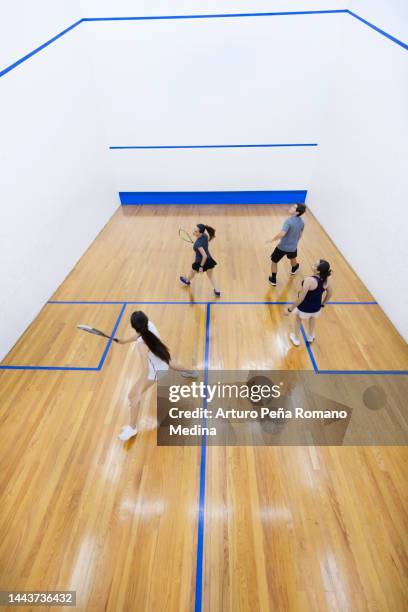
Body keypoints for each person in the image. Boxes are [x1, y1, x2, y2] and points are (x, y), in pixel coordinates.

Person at [116, 311, 198, 441]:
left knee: (132, 396)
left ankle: (132, 428)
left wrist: (139, 387)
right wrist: (124, 341)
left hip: (155, 371)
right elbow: (140, 335)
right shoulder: (149, 325)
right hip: (163, 357)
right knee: (169, 363)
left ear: (134, 327)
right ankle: (191, 372)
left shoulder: (141, 346)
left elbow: (146, 369)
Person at [285, 260, 333, 346]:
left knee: (298, 319)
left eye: (315, 264)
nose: (313, 264)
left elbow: (301, 298)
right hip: (316, 307)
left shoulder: (309, 280)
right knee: (312, 318)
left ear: (318, 271)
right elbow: (329, 294)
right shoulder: (326, 279)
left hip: (304, 307)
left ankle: (295, 338)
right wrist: (322, 303)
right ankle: (310, 336)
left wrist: (290, 309)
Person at [267, 204, 306, 286]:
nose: (290, 207)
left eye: (293, 207)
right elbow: (300, 234)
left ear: (297, 212)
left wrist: (272, 240)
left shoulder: (288, 221)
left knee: (274, 261)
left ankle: (273, 279)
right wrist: (294, 242)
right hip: (293, 247)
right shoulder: (302, 222)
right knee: (292, 257)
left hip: (282, 247)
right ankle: (294, 268)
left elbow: (282, 233)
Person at [180, 223, 221, 296]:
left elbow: (204, 256)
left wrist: (201, 267)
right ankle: (217, 290)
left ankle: (187, 281)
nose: (193, 232)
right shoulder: (205, 236)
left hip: (200, 262)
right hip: (209, 260)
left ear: (200, 233)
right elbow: (202, 246)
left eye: (196, 231)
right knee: (211, 276)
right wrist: (196, 246)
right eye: (194, 230)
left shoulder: (197, 244)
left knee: (191, 273)